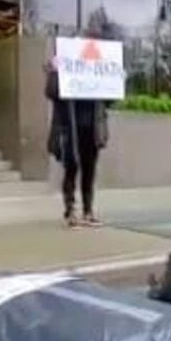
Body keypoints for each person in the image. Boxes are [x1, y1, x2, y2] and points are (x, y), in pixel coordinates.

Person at [45, 57, 109, 228]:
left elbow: (109, 100)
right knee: (71, 169)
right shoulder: (65, 75)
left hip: (92, 130)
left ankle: (88, 211)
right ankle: (70, 210)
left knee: (89, 171)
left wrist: (116, 80)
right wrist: (55, 72)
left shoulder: (97, 75)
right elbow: (51, 92)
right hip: (70, 130)